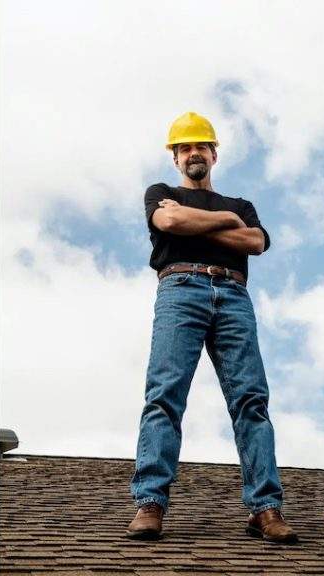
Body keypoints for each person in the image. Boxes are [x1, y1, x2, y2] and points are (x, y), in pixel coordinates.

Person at [126, 111, 298, 544]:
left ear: (214, 153)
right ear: (175, 158)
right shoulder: (162, 194)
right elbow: (167, 223)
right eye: (184, 147)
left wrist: (198, 221)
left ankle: (266, 509)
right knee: (164, 396)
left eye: (200, 145)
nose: (193, 153)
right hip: (180, 288)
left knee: (251, 402)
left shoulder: (241, 205)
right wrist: (225, 224)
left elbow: (255, 242)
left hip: (233, 294)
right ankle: (150, 504)